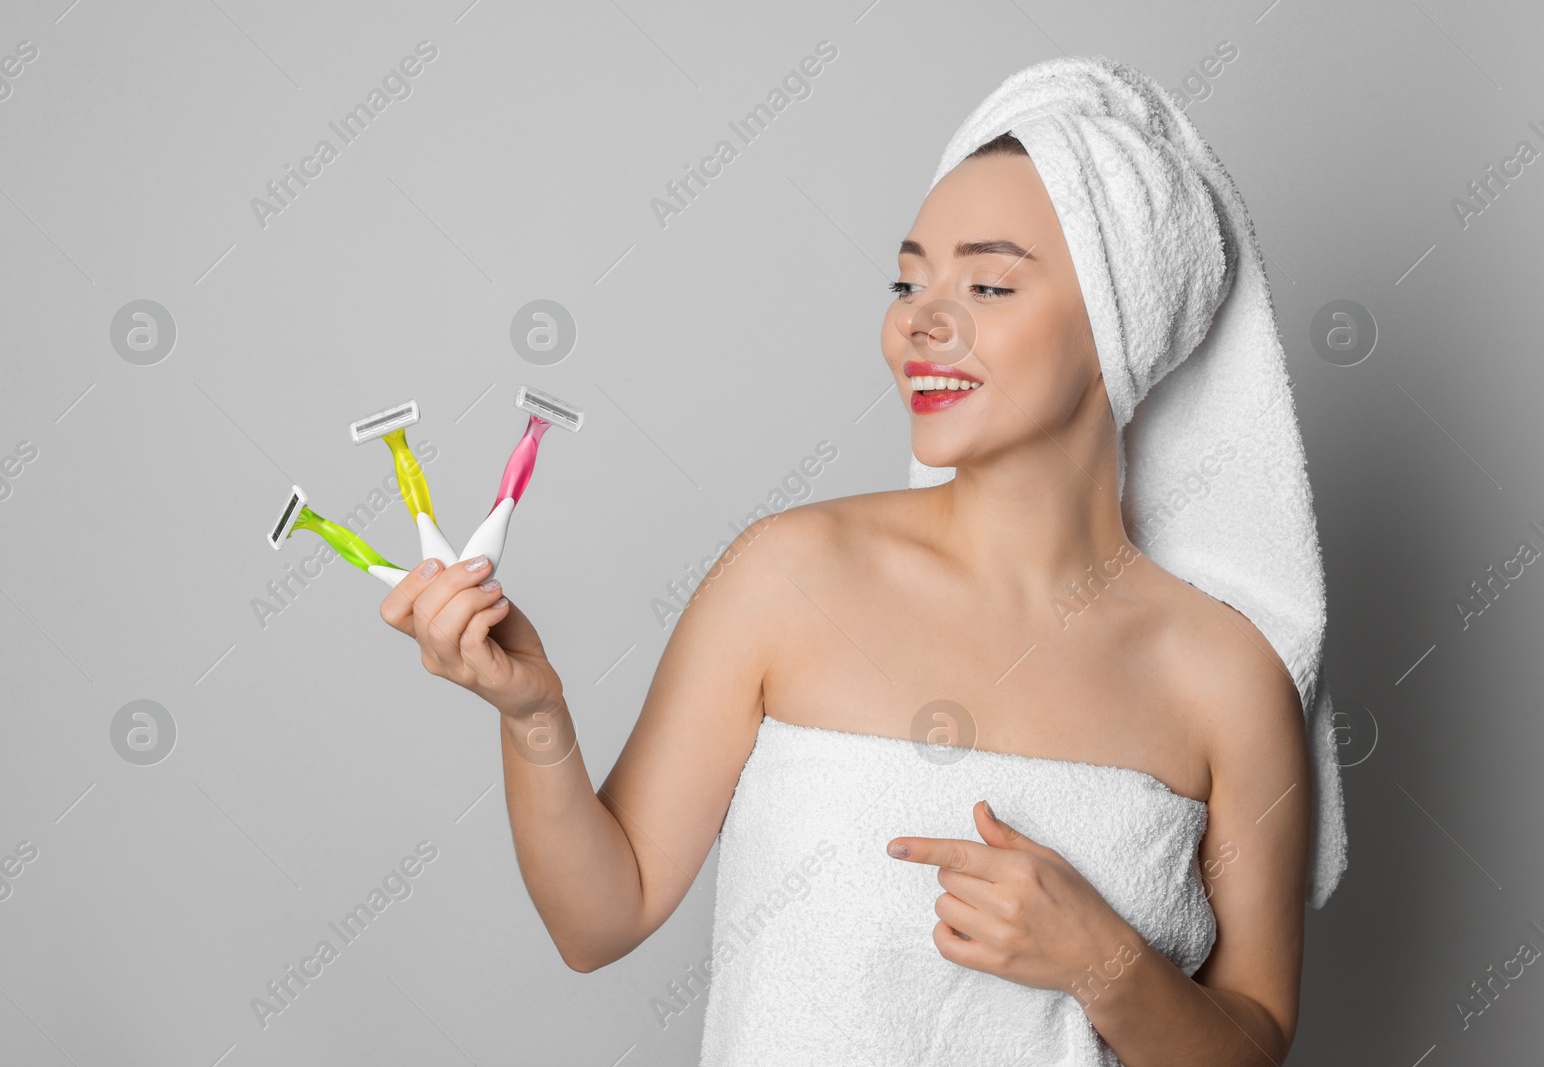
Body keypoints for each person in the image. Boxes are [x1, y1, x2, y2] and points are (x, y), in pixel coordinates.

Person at [378, 114, 1312, 1067]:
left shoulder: (1226, 681)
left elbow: (1254, 1039)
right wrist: (533, 714)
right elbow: (598, 920)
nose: (921, 320)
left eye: (988, 284)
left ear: (1124, 319)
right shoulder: (788, 578)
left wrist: (1104, 962)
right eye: (909, 282)